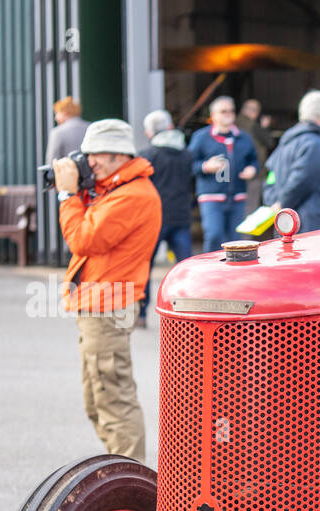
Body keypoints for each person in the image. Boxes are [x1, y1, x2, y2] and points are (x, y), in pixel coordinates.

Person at [53, 119, 161, 462]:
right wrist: (81, 188)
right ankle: (124, 472)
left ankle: (131, 483)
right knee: (96, 399)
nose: (90, 163)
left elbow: (84, 239)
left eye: (94, 157)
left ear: (118, 155)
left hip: (107, 306)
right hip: (97, 304)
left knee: (113, 398)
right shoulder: (114, 188)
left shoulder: (133, 195)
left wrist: (69, 195)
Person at [139, 109, 193, 326]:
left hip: (154, 219)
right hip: (181, 217)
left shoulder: (146, 156)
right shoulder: (187, 154)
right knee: (186, 269)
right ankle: (189, 315)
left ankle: (141, 314)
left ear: (149, 132)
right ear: (170, 128)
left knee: (144, 267)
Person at [189, 96, 258, 252]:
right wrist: (206, 166)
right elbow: (189, 165)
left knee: (236, 239)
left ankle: (232, 274)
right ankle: (212, 272)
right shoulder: (201, 137)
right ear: (213, 115)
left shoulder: (244, 137)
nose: (228, 114)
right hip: (211, 197)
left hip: (238, 197)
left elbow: (254, 161)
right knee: (214, 235)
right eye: (223, 111)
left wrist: (252, 169)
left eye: (231, 111)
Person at [265, 90, 320, 232]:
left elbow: (270, 175)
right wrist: (283, 203)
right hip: (311, 223)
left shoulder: (286, 141)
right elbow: (302, 179)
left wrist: (273, 202)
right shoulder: (315, 143)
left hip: (286, 223)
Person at [237, 99, 276, 213]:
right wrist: (264, 127)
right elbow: (269, 142)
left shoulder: (233, 124)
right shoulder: (254, 126)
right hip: (254, 173)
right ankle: (247, 231)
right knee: (251, 207)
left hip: (235, 173)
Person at [46, 97, 90, 164]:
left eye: (57, 113)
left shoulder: (57, 132)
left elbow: (52, 161)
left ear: (65, 113)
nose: (56, 118)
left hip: (67, 172)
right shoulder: (90, 127)